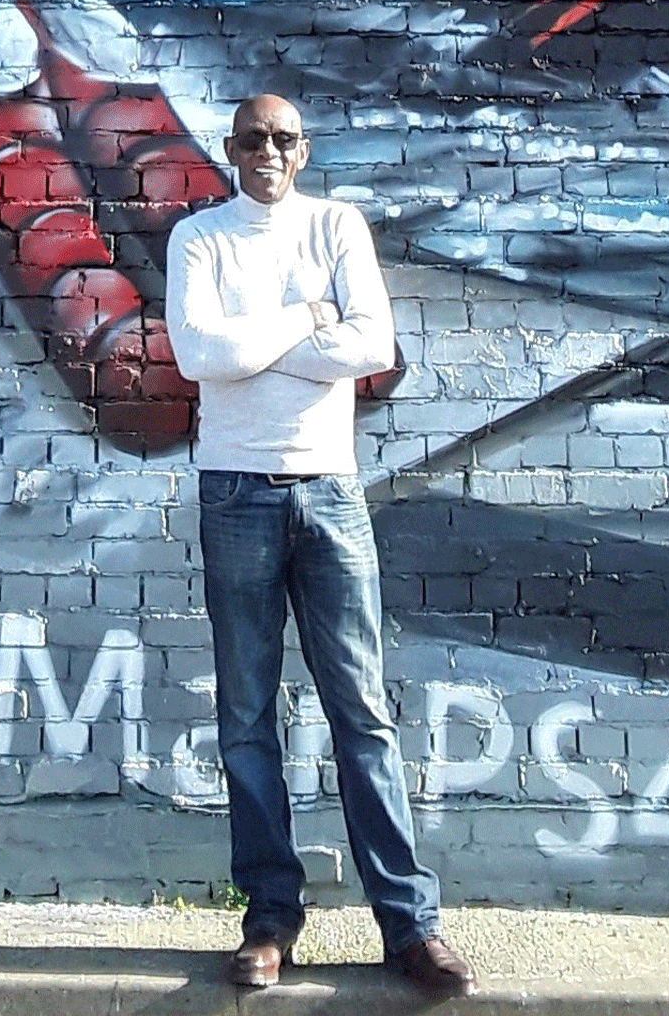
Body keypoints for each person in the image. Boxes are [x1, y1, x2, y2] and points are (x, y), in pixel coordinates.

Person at [164, 95, 477, 997]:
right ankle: (270, 919)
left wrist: (261, 343)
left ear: (304, 151)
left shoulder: (338, 224)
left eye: (282, 139)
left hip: (330, 492)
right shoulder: (201, 238)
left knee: (363, 712)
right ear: (231, 150)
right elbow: (197, 355)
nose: (267, 151)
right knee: (247, 719)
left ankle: (409, 927)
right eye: (252, 139)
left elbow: (373, 341)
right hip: (235, 493)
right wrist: (309, 320)